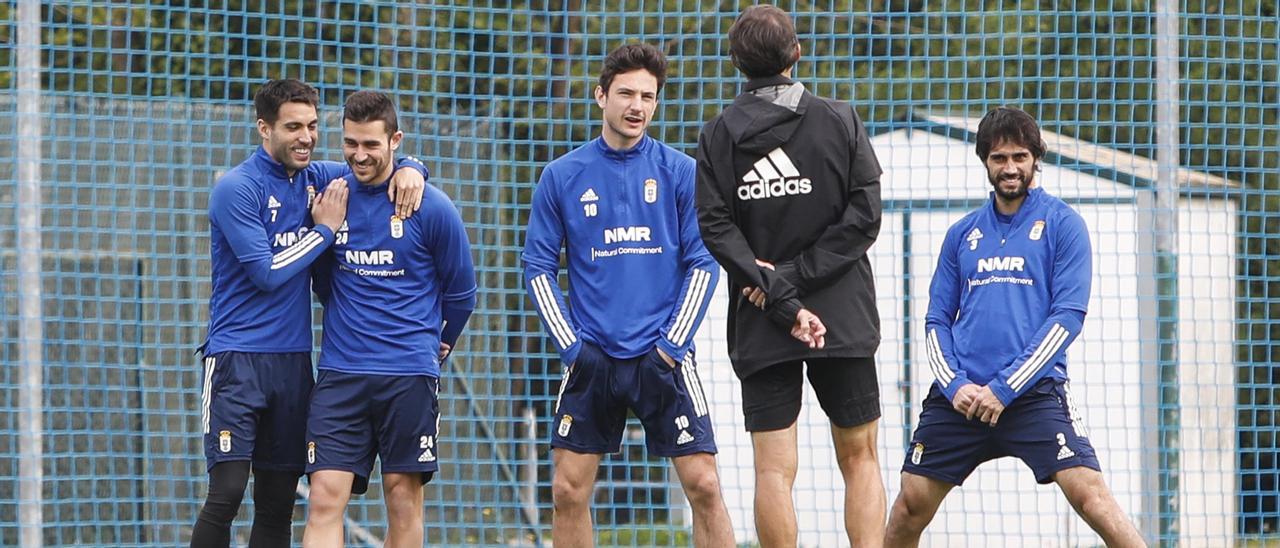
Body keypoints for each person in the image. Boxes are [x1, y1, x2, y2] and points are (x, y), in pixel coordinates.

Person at [882, 107, 1146, 547]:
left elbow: (1067, 318)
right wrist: (955, 385)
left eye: (1020, 157)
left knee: (1091, 498)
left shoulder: (1064, 225)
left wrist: (1006, 388)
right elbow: (936, 321)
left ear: (1036, 159)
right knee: (909, 505)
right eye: (1000, 158)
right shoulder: (961, 234)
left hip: (1033, 393)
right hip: (962, 398)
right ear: (985, 160)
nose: (1011, 168)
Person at [194, 78, 425, 548]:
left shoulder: (316, 177)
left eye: (313, 127)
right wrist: (323, 232)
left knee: (278, 501)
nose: (306, 137)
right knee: (228, 492)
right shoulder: (237, 189)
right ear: (265, 128)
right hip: (237, 360)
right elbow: (266, 272)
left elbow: (372, 164)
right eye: (293, 127)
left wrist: (413, 168)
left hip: (295, 364)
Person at [522, 43, 735, 547]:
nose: (637, 105)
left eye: (648, 96)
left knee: (704, 484)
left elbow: (704, 264)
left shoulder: (681, 171)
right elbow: (536, 268)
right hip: (592, 355)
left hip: (663, 356)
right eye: (625, 94)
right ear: (601, 97)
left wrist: (671, 347)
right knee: (568, 490)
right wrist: (573, 347)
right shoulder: (562, 176)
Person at [694, 5, 886, 547]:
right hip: (843, 314)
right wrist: (803, 279)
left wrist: (780, 292)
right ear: (796, 53)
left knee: (773, 470)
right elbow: (865, 217)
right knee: (861, 457)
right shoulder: (841, 119)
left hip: (762, 318)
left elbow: (716, 227)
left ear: (736, 62)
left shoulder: (716, 136)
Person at [301, 90, 477, 548]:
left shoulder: (431, 207)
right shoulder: (330, 191)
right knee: (323, 496)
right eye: (350, 143)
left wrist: (441, 342)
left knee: (402, 498)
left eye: (371, 145)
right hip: (341, 374)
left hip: (408, 375)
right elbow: (323, 282)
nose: (359, 155)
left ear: (394, 140)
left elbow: (462, 291)